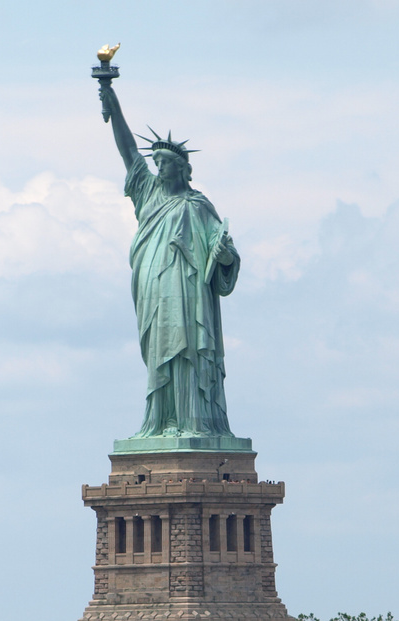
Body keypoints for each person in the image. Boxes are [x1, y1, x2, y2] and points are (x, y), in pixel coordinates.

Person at [97, 78, 240, 440]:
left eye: (165, 163)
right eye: (156, 162)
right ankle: (161, 422)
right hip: (154, 286)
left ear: (182, 168)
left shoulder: (199, 206)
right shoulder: (147, 193)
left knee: (190, 349)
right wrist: (112, 102)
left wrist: (223, 256)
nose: (158, 167)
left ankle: (194, 421)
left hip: (190, 293)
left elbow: (223, 254)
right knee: (161, 348)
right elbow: (128, 150)